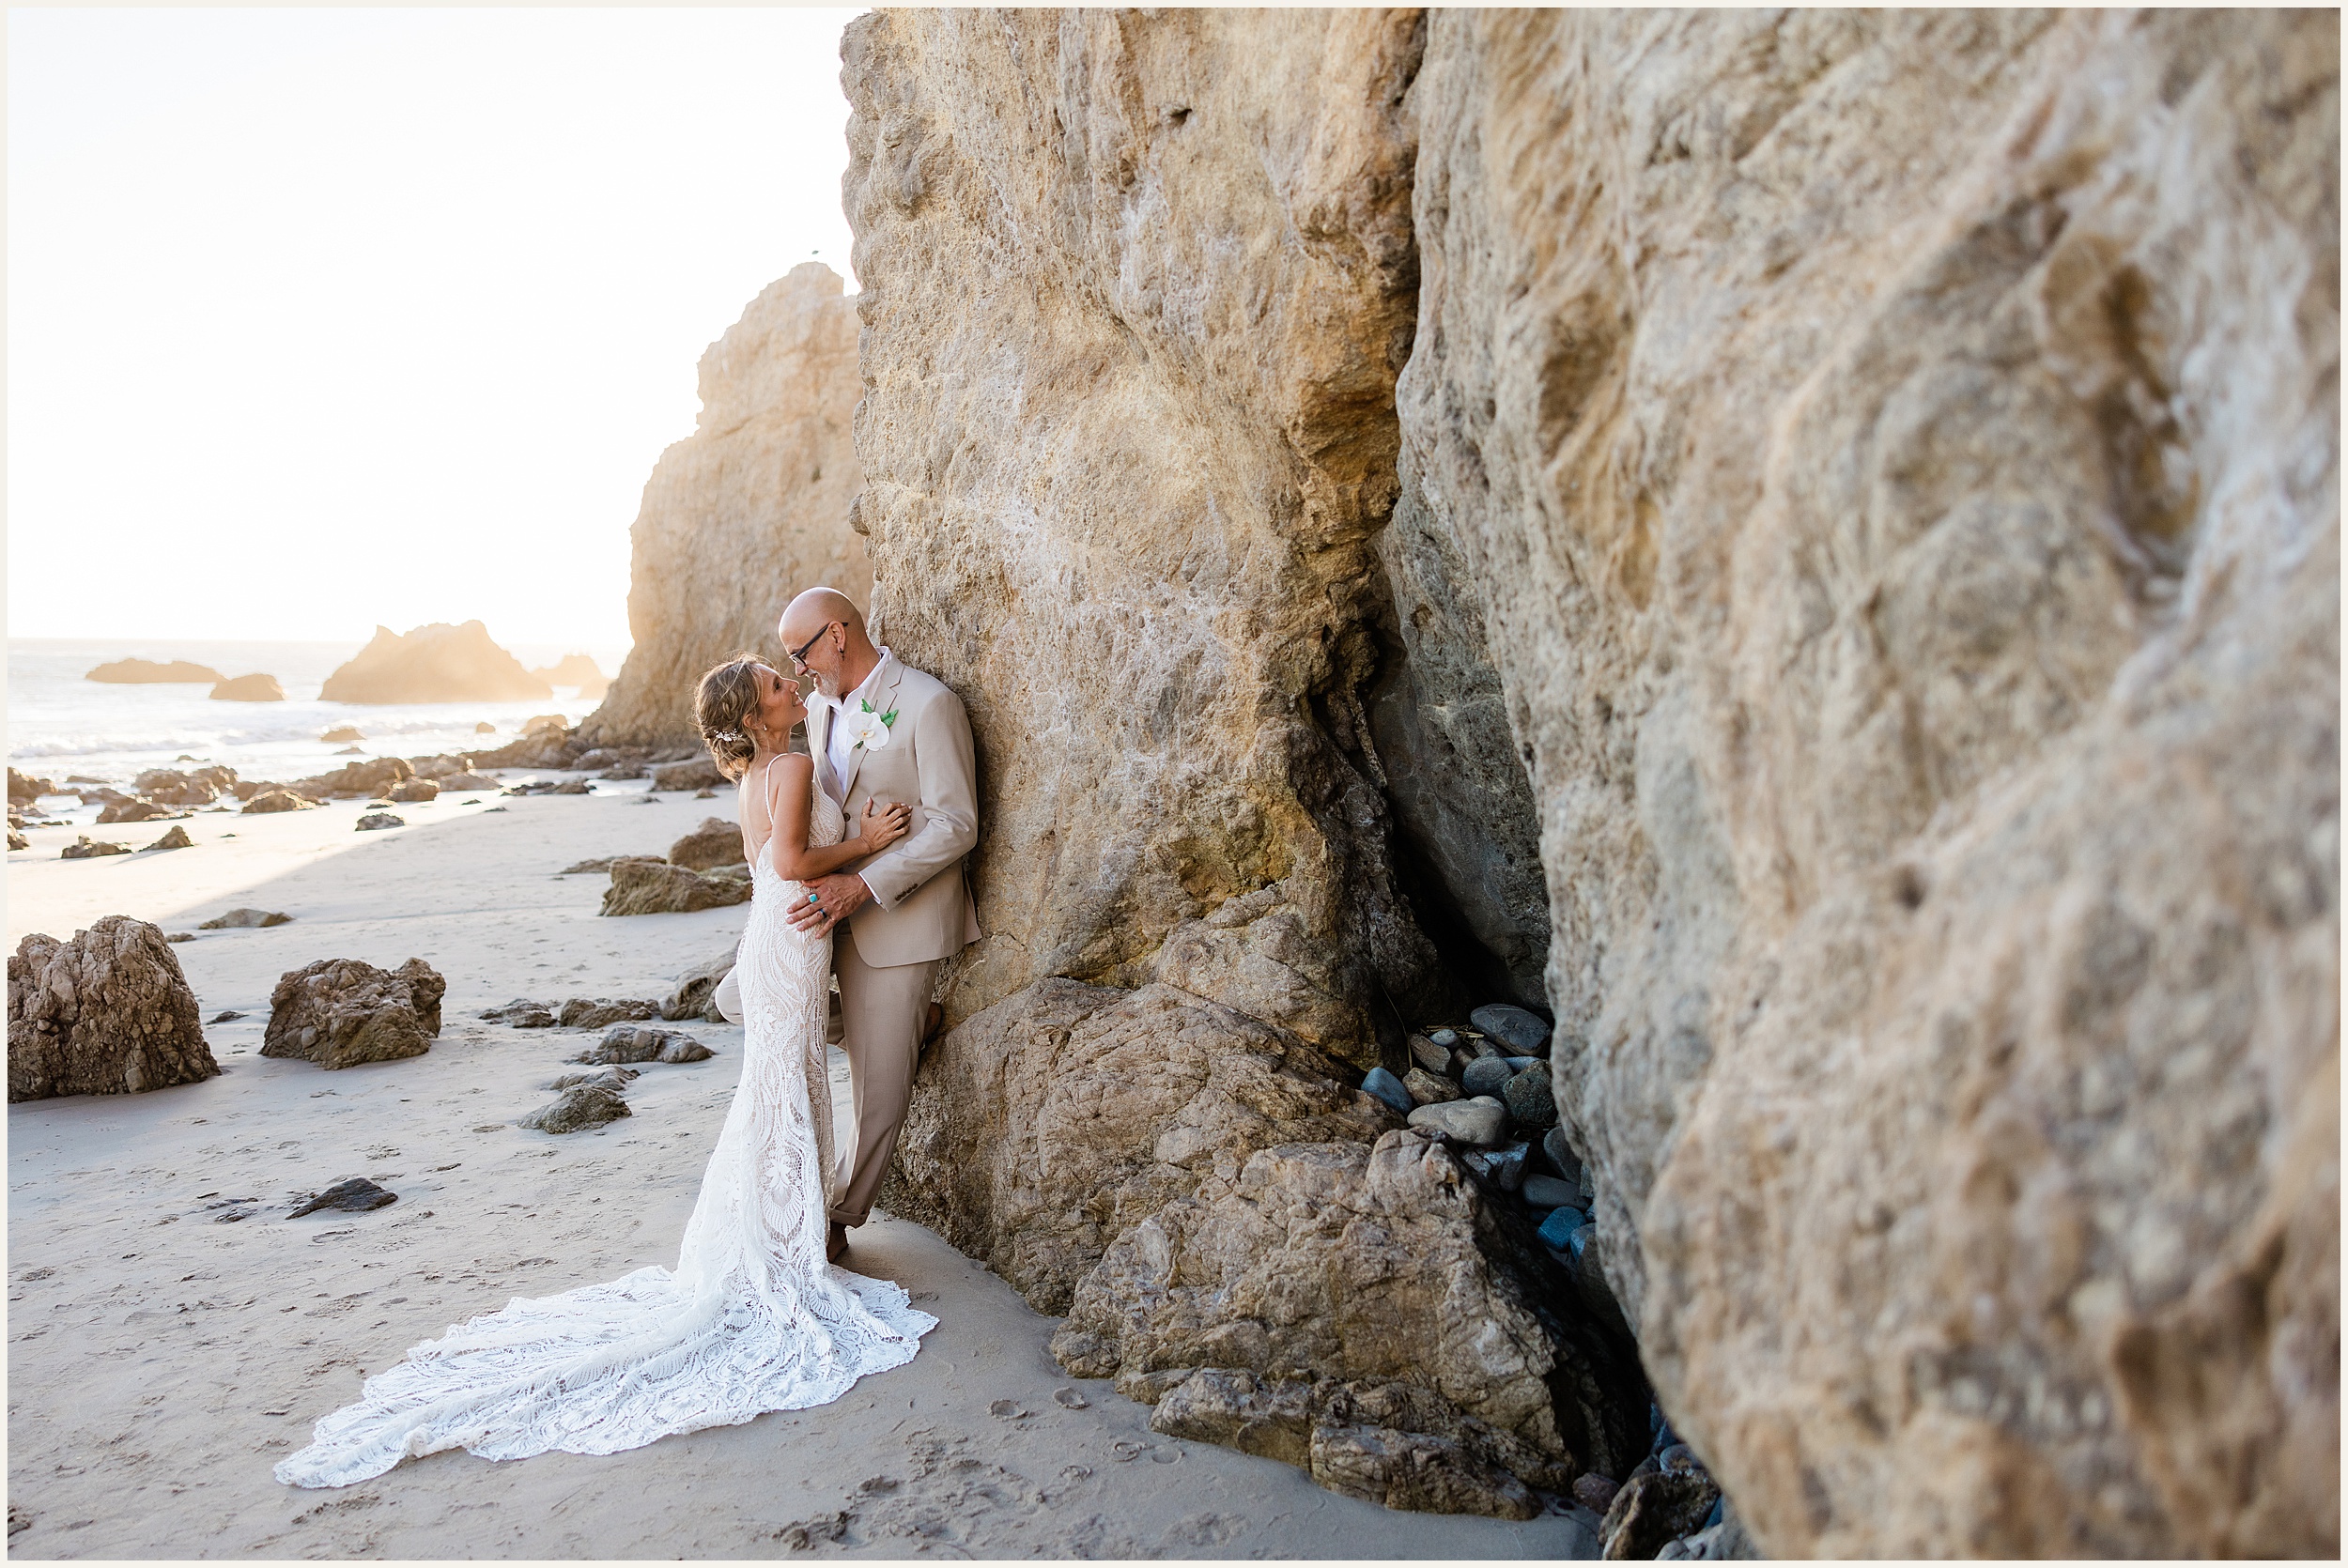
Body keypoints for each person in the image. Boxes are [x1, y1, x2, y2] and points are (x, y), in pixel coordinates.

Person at [272, 655, 935, 1488]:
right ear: (758, 716)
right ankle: (789, 1246)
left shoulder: (759, 773)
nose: (789, 687)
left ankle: (784, 1235)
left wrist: (845, 847)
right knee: (788, 1085)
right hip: (794, 937)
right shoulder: (795, 763)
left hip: (771, 939)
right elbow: (798, 862)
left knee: (775, 1087)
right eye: (775, 685)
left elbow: (767, 866)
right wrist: (869, 843)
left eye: (783, 675)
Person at [772, 587, 981, 1264]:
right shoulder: (814, 710)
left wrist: (861, 884)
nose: (799, 670)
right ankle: (901, 1024)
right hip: (825, 910)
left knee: (880, 1092)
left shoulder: (928, 703)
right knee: (744, 1000)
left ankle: (837, 1218)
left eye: (800, 653)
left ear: (837, 633)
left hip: (898, 915)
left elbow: (957, 823)